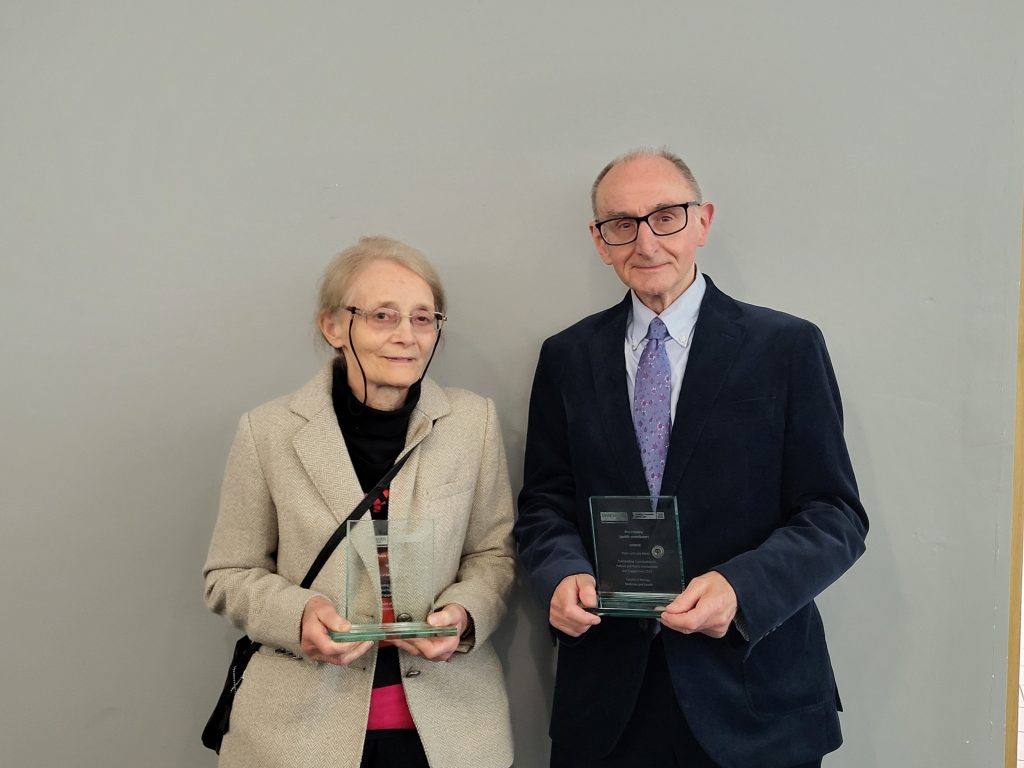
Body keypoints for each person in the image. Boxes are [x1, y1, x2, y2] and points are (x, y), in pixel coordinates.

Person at [515, 148, 868, 768]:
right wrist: (559, 572)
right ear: (599, 241)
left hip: (753, 694)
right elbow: (545, 500)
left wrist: (740, 589)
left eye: (666, 216)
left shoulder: (785, 346)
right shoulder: (567, 357)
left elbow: (835, 515)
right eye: (621, 224)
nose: (645, 242)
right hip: (608, 700)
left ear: (702, 221)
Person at [204, 236, 515, 768]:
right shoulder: (268, 432)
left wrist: (464, 614)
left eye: (423, 318)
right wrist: (298, 615)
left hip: (451, 732)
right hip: (297, 737)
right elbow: (229, 573)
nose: (407, 337)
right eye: (382, 316)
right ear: (333, 327)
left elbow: (493, 555)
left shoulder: (472, 423)